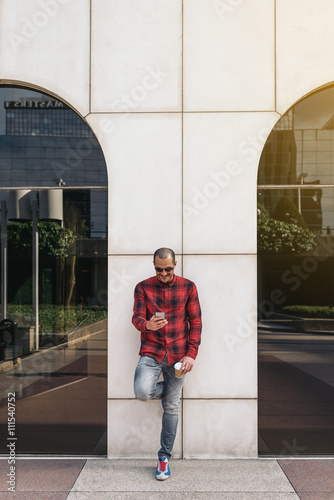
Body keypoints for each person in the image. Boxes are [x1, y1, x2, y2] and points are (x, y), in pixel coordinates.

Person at [132, 247, 202, 480]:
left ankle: (164, 459)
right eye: (159, 269)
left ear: (175, 264)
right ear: (154, 265)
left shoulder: (188, 287)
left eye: (168, 269)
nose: (164, 273)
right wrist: (146, 325)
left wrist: (191, 354)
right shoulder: (143, 287)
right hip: (152, 351)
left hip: (179, 356)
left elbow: (196, 322)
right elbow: (137, 317)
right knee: (142, 392)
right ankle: (163, 393)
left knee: (172, 406)